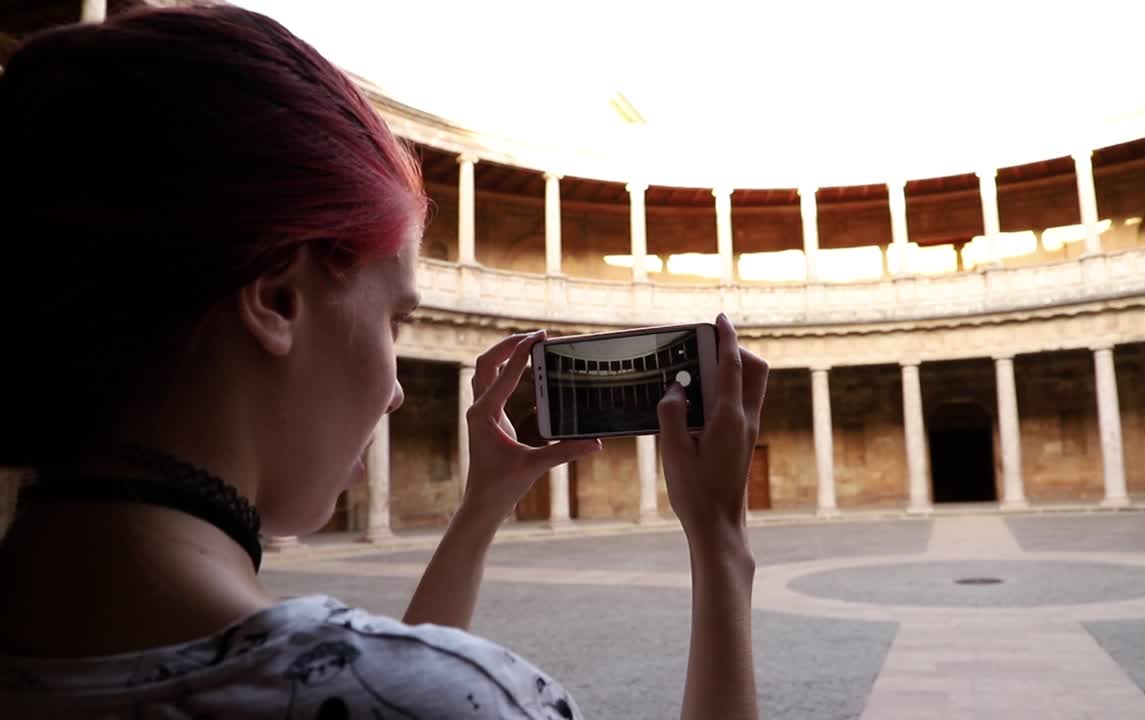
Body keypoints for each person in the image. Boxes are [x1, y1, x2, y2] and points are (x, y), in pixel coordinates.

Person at [0, 6, 769, 719]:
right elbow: (388, 691)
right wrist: (722, 547)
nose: (398, 390)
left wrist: (478, 511)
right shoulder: (463, 698)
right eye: (394, 319)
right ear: (277, 300)